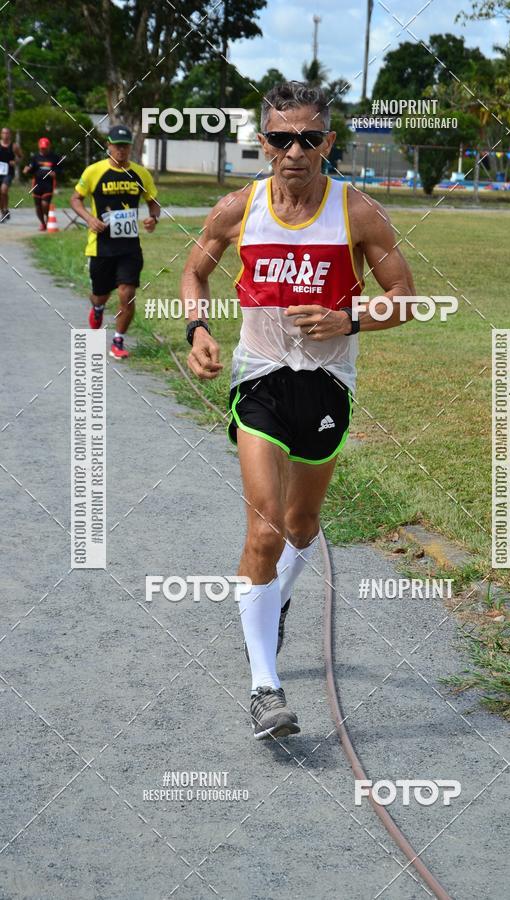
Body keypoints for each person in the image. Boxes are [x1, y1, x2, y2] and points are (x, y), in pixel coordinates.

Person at [181, 81, 416, 741]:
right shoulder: (238, 207)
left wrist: (348, 317)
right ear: (265, 143)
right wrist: (196, 328)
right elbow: (194, 272)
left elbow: (404, 296)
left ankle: (272, 603)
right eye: (281, 138)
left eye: (308, 138)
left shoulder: (358, 213)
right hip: (259, 379)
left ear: (328, 143)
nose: (294, 151)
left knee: (301, 525)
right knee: (263, 531)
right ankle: (265, 687)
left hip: (326, 386)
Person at [70, 124, 160, 359]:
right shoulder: (93, 171)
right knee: (100, 294)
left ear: (130, 147)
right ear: (108, 146)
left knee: (126, 292)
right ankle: (98, 308)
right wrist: (90, 219)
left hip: (129, 246)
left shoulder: (140, 173)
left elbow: (153, 202)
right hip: (100, 245)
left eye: (125, 146)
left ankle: (118, 340)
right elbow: (75, 199)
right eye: (116, 145)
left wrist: (153, 218)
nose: (120, 150)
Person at [22, 137, 62, 231]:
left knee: (45, 204)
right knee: (37, 206)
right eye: (41, 148)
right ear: (39, 147)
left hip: (48, 184)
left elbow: (59, 169)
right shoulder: (35, 157)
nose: (43, 150)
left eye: (45, 148)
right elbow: (31, 167)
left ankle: (48, 219)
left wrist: (55, 173)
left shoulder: (54, 157)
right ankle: (43, 223)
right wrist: (27, 169)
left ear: (49, 147)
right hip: (37, 184)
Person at [0, 126, 22, 223]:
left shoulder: (14, 146)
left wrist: (16, 161)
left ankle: (5, 210)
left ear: (10, 135)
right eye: (3, 133)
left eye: (7, 133)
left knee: (4, 191)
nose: (5, 135)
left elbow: (21, 157)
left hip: (8, 172)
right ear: (1, 134)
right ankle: (4, 211)